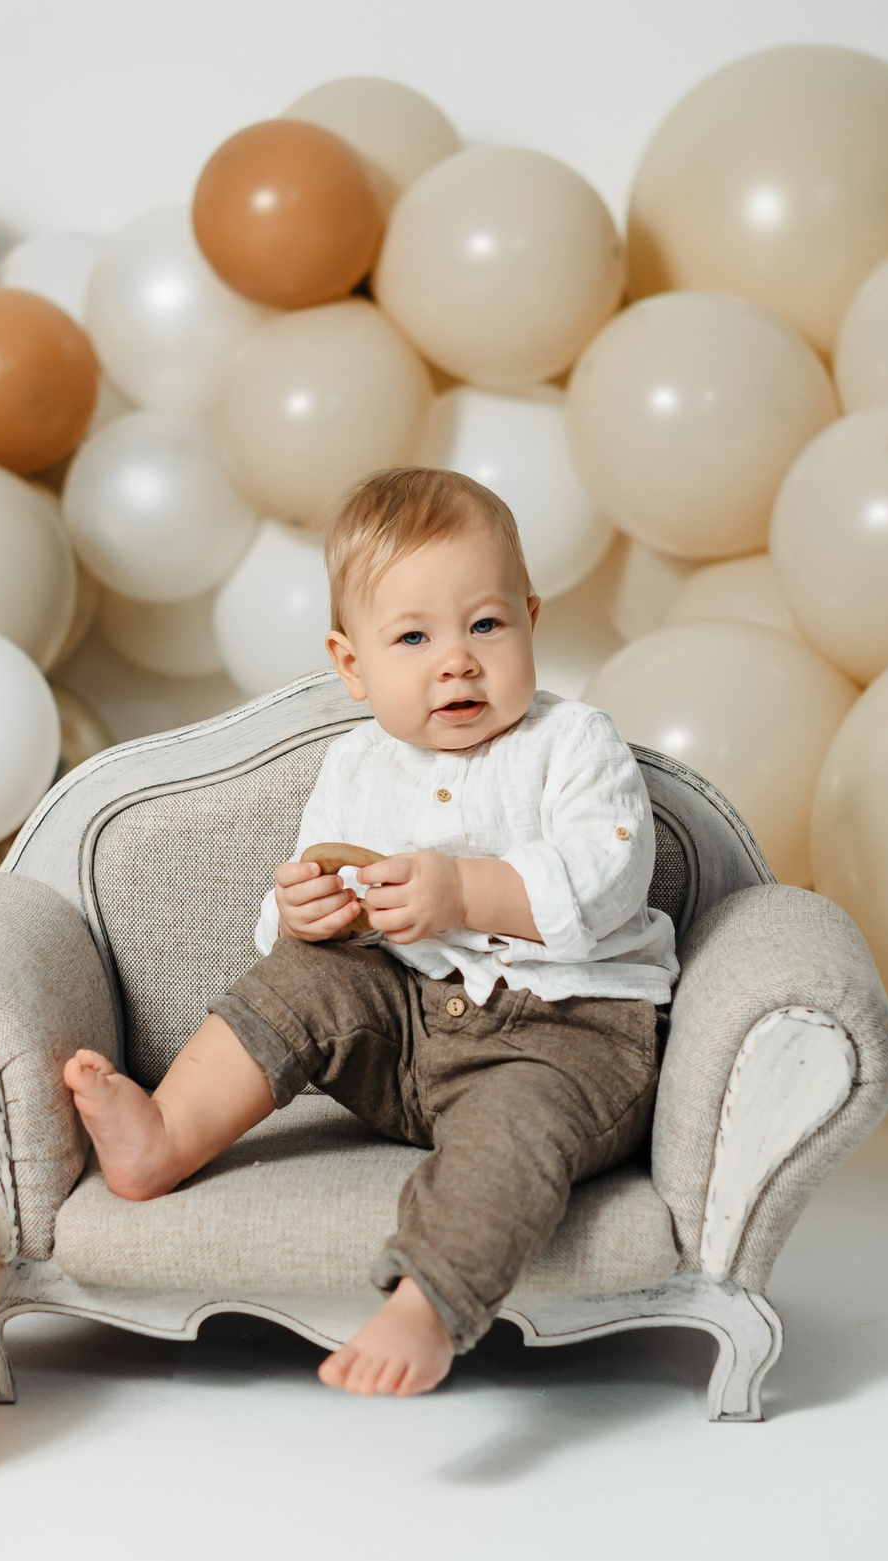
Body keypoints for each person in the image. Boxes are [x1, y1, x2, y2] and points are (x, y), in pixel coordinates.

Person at [61, 467, 678, 1396]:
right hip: (408, 1039)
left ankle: (428, 1300)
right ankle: (165, 1135)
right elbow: (313, 900)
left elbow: (607, 883)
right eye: (414, 637)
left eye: (485, 624)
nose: (457, 661)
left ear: (532, 620)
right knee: (310, 973)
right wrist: (304, 910)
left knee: (517, 1124)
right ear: (352, 665)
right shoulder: (357, 765)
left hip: (566, 1035)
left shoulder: (575, 743)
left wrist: (464, 891)